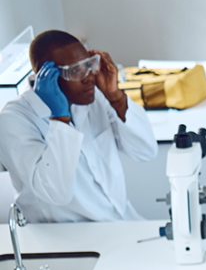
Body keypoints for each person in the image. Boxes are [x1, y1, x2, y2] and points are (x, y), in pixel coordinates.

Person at [0, 30, 157, 223]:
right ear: (45, 75)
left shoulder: (92, 97)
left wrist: (115, 96)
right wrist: (60, 118)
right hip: (71, 240)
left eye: (88, 65)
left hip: (122, 222)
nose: (88, 77)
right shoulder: (15, 119)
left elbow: (146, 151)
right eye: (75, 70)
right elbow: (56, 193)